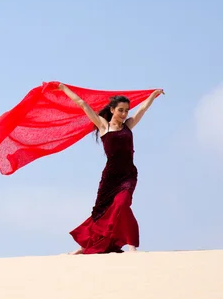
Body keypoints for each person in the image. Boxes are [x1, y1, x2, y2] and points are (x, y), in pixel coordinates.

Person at [57, 83, 164, 254]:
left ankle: (131, 246)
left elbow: (142, 109)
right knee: (101, 212)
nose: (124, 114)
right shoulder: (103, 126)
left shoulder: (128, 125)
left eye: (126, 110)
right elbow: (83, 104)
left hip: (128, 175)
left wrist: (153, 95)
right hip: (110, 178)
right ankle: (86, 246)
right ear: (112, 110)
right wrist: (63, 89)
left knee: (121, 205)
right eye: (121, 110)